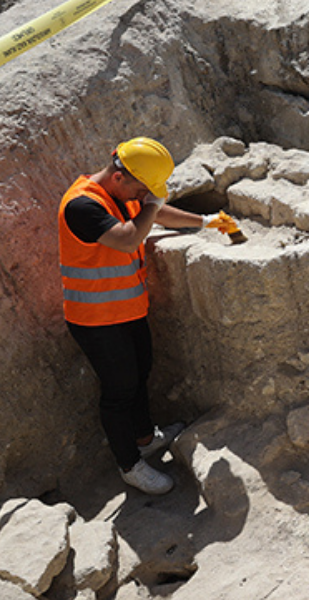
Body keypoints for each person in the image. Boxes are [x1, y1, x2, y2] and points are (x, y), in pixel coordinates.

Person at [57, 137, 238, 495]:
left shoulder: (117, 195)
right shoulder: (81, 205)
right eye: (141, 189)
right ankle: (130, 465)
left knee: (140, 374)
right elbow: (128, 238)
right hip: (95, 320)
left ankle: (144, 438)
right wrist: (152, 206)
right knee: (118, 391)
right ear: (121, 176)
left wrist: (204, 221)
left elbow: (150, 211)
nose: (143, 196)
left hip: (125, 310)